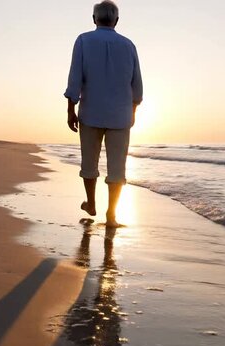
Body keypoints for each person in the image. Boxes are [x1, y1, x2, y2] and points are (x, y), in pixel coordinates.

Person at [64, 0, 143, 227]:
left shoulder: (83, 40)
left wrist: (71, 109)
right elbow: (136, 83)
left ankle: (91, 203)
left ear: (94, 19)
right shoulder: (129, 45)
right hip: (120, 115)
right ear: (116, 21)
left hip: (90, 112)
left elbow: (75, 77)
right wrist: (134, 109)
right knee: (117, 167)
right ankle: (112, 215)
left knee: (89, 162)